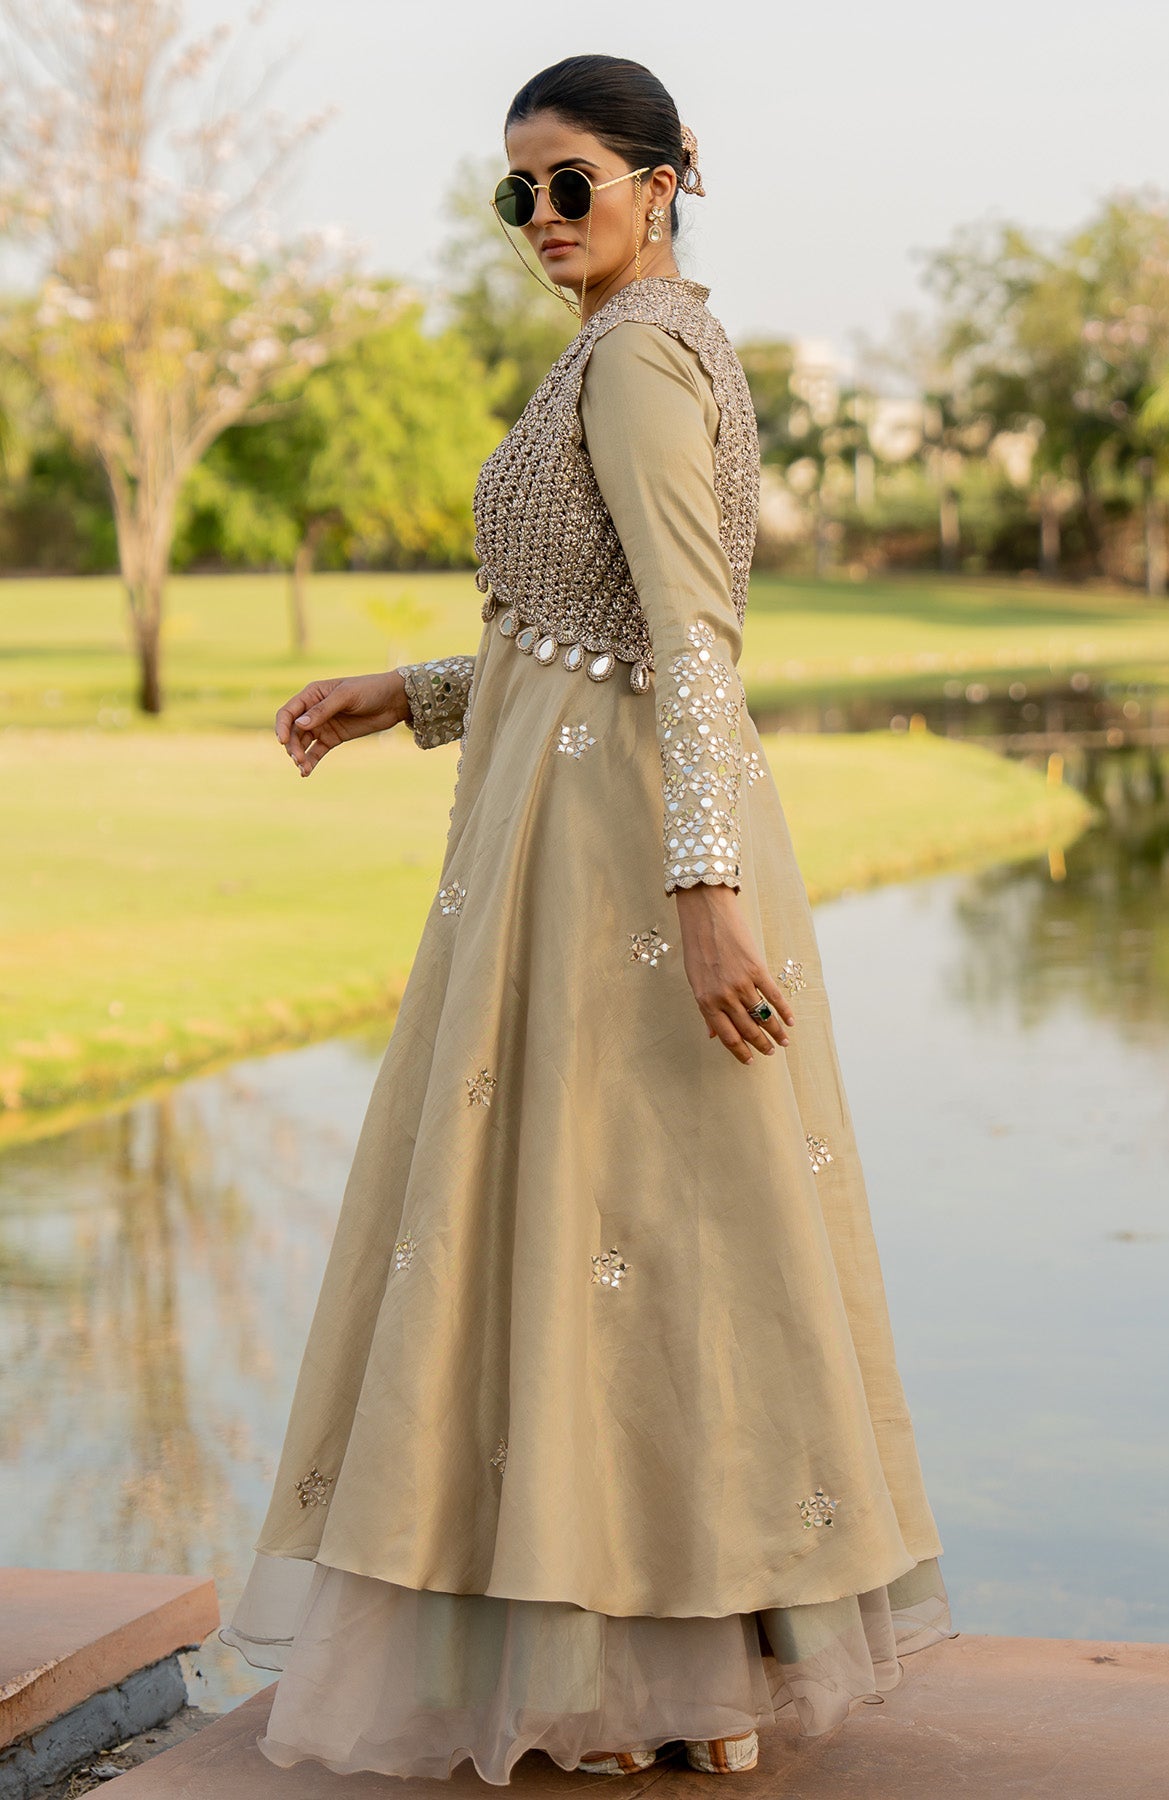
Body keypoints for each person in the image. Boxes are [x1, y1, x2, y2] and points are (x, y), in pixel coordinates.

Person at [217, 52, 955, 1786]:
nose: (543, 218)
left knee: (628, 1231)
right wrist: (408, 694)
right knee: (631, 1231)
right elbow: (581, 629)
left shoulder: (637, 356)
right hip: (583, 829)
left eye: (571, 184)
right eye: (518, 193)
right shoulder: (638, 343)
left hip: (621, 856)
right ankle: (672, 1681)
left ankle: (668, 1683)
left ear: (661, 180)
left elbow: (690, 637)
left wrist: (703, 892)